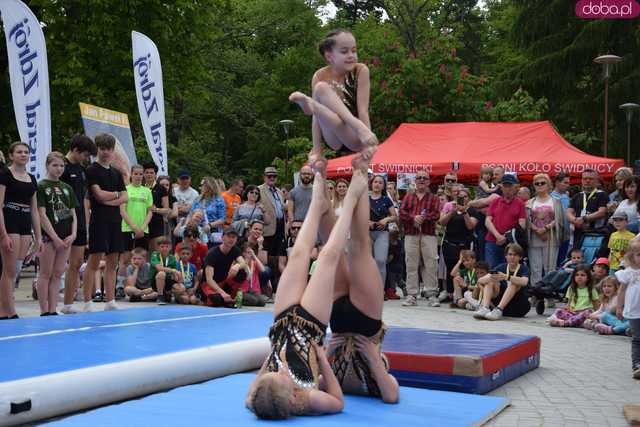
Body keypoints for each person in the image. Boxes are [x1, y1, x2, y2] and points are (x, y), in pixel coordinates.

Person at [246, 159, 367, 419]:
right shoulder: (309, 400)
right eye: (282, 378)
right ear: (292, 397)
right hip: (310, 327)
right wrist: (323, 361)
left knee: (299, 253)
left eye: (273, 375)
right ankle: (350, 201)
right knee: (327, 257)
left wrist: (269, 360)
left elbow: (251, 393)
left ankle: (318, 200)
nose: (282, 371)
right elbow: (338, 402)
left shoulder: (258, 397)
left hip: (280, 322)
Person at [289, 29, 377, 161]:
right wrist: (317, 151)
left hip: (355, 136)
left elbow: (363, 110)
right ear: (329, 56)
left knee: (319, 98)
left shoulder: (361, 70)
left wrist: (367, 144)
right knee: (321, 88)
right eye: (344, 51)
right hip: (333, 136)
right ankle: (311, 104)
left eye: (354, 51)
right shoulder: (319, 76)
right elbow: (317, 119)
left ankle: (311, 104)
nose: (351, 55)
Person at [83, 133, 128, 312]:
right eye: (102, 148)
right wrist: (114, 196)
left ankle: (110, 300)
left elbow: (125, 197)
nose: (106, 152)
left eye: (109, 149)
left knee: (112, 262)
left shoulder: (116, 173)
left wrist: (112, 198)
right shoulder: (91, 170)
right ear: (97, 149)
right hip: (99, 220)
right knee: (94, 261)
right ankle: (87, 301)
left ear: (113, 151)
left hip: (115, 221)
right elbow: (98, 195)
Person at [0, 142, 42, 319]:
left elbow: (34, 209)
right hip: (9, 221)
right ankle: (8, 310)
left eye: (26, 152)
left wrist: (39, 238)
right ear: (11, 155)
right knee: (8, 270)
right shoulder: (4, 174)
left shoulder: (31, 178)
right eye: (19, 152)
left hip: (25, 223)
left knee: (16, 270)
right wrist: (3, 234)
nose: (23, 154)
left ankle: (7, 308)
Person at [35, 152, 78, 316]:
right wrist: (54, 238)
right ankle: (44, 309)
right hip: (49, 237)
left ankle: (53, 309)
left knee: (58, 273)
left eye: (61, 165)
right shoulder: (41, 186)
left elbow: (73, 214)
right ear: (47, 166)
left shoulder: (67, 188)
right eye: (55, 165)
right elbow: (42, 214)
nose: (59, 169)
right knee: (45, 273)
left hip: (66, 236)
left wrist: (73, 234)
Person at [60, 134, 96, 314]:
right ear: (75, 150)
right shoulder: (61, 167)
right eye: (84, 154)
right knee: (59, 265)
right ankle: (53, 304)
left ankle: (68, 304)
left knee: (76, 263)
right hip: (64, 220)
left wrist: (85, 221)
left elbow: (83, 198)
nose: (86, 158)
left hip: (80, 220)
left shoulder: (81, 169)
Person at [399, 171, 441, 307]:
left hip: (428, 234)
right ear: (415, 181)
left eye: (425, 178)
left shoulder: (434, 198)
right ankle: (411, 295)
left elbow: (436, 215)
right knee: (411, 264)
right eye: (419, 178)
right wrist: (413, 217)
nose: (422, 180)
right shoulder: (408, 197)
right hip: (411, 234)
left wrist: (423, 218)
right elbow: (402, 213)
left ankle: (432, 295)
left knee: (431, 264)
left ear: (428, 182)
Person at [525, 173, 567, 288]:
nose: (539, 185)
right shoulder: (529, 202)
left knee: (550, 267)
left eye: (542, 183)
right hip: (534, 237)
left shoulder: (556, 201)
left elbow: (560, 219)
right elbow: (527, 219)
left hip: (551, 236)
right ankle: (535, 294)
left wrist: (545, 228)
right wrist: (536, 229)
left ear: (548, 185)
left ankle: (549, 294)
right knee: (535, 268)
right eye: (536, 183)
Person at [438, 187, 479, 302]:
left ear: (469, 198)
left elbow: (471, 225)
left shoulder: (472, 211)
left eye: (465, 196)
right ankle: (450, 293)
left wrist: (464, 211)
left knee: (463, 269)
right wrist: (452, 211)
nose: (462, 198)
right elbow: (441, 222)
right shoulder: (451, 208)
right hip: (449, 243)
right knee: (449, 269)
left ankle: (461, 293)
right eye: (460, 196)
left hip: (464, 245)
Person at [118, 165, 154, 291]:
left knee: (142, 259)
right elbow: (122, 211)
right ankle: (120, 287)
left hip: (143, 230)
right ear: (131, 175)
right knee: (126, 259)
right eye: (136, 174)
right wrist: (134, 227)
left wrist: (142, 227)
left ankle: (142, 286)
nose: (138, 176)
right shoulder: (125, 190)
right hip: (127, 229)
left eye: (140, 174)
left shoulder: (147, 191)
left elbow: (150, 211)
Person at [474, 243, 530, 320]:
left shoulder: (524, 268)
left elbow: (524, 282)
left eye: (515, 255)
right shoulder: (501, 267)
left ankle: (498, 310)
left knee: (514, 283)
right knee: (489, 281)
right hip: (501, 306)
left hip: (518, 307)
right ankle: (485, 308)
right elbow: (480, 280)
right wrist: (493, 278)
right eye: (510, 254)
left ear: (520, 257)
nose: (512, 257)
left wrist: (506, 277)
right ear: (506, 256)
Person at [484, 174, 526, 269]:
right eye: (505, 186)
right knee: (492, 270)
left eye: (510, 186)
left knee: (508, 271)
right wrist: (498, 236)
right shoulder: (495, 201)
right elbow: (487, 221)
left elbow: (522, 225)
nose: (507, 189)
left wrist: (505, 237)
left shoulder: (520, 203)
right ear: (501, 187)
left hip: (510, 244)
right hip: (492, 241)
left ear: (515, 187)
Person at [615, 240, 640, 379]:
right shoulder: (628, 273)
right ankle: (637, 365)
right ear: (631, 256)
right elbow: (621, 291)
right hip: (634, 311)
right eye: (639, 254)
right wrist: (619, 307)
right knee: (637, 339)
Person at [201, 229, 244, 307]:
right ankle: (225, 298)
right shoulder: (212, 253)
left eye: (233, 237)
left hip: (223, 281)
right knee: (217, 299)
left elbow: (243, 263)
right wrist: (222, 293)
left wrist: (237, 266)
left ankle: (233, 296)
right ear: (222, 238)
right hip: (210, 285)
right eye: (229, 236)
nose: (231, 239)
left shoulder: (235, 250)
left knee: (242, 272)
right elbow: (209, 280)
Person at [566, 169, 608, 249]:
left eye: (591, 179)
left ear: (596, 180)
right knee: (576, 260)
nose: (587, 181)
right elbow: (568, 212)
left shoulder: (602, 195)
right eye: (585, 179)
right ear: (581, 180)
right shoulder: (577, 196)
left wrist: (584, 219)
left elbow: (602, 212)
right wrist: (575, 220)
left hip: (595, 235)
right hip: (578, 235)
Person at [369, 174, 397, 289]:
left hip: (382, 233)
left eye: (380, 182)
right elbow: (357, 216)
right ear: (371, 184)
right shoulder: (365, 199)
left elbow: (394, 216)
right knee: (367, 262)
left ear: (383, 186)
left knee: (380, 260)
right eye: (375, 182)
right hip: (367, 234)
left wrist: (386, 219)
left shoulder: (386, 199)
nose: (377, 184)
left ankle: (379, 290)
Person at [259, 166, 287, 275]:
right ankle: (268, 280)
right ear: (264, 177)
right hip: (267, 228)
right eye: (269, 176)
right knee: (267, 257)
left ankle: (276, 280)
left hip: (280, 227)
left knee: (278, 256)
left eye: (274, 176)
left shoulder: (279, 192)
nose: (272, 178)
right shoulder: (259, 190)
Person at [190, 176, 226, 247]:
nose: (200, 187)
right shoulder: (197, 199)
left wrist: (209, 225)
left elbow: (222, 219)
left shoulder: (219, 200)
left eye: (201, 185)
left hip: (212, 231)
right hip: (197, 230)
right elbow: (191, 214)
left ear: (209, 186)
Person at [143, 162, 171, 251]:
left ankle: (158, 265)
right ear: (143, 174)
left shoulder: (161, 189)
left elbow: (167, 210)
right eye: (147, 172)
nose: (149, 175)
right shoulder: (139, 188)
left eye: (151, 173)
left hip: (156, 222)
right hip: (141, 222)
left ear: (155, 174)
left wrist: (156, 209)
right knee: (143, 251)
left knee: (156, 251)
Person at [150, 236, 180, 304]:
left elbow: (174, 274)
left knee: (181, 288)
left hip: (168, 281)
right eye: (162, 246)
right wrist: (172, 270)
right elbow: (159, 268)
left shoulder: (172, 258)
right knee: (161, 273)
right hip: (156, 282)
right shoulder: (155, 255)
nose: (164, 248)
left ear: (170, 247)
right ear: (157, 248)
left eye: (167, 246)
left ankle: (167, 293)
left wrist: (178, 277)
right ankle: (160, 297)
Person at [550, 172, 571, 267]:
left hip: (566, 235)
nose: (567, 185)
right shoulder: (550, 197)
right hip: (555, 236)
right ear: (557, 183)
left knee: (562, 263)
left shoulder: (566, 197)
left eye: (568, 183)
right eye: (565, 183)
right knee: (553, 263)